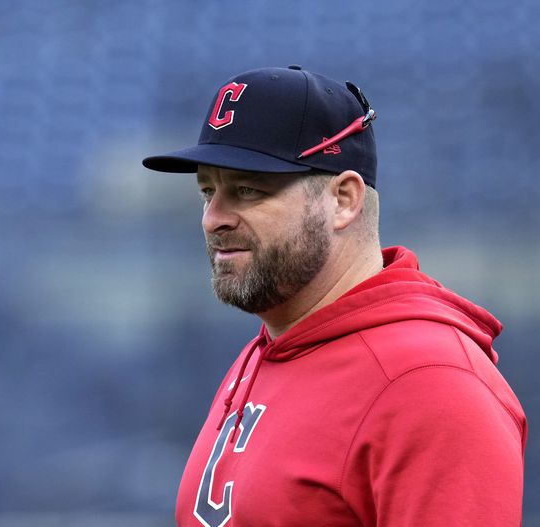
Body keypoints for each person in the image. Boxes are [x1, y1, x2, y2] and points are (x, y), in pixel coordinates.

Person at [142, 65, 526, 526]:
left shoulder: (429, 384)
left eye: (247, 190)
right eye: (208, 191)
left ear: (343, 199)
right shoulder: (270, 349)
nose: (213, 218)